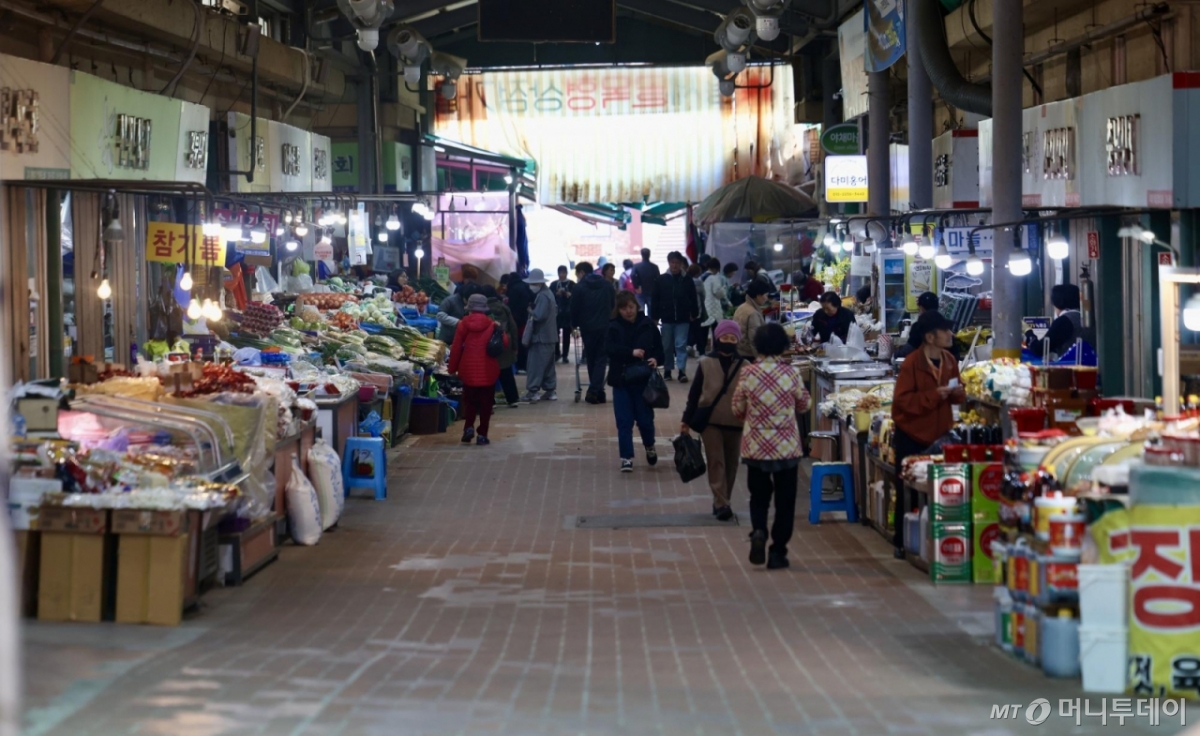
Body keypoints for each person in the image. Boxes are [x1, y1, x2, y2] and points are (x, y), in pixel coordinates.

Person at [731, 322, 811, 569]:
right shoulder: (790, 374)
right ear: (782, 346)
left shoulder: (748, 373)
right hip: (786, 447)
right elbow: (804, 405)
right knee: (786, 502)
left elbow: (737, 408)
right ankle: (778, 551)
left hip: (755, 446)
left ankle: (758, 531)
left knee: (759, 496)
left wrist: (752, 415)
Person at [890, 312, 965, 558]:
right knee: (907, 488)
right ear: (930, 336)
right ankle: (902, 542)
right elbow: (901, 403)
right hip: (911, 434)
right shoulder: (912, 363)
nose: (950, 335)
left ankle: (935, 542)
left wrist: (958, 393)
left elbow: (957, 392)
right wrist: (935, 395)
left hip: (940, 434)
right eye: (945, 331)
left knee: (938, 491)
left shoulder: (950, 360)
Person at [681, 320, 747, 521]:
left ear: (738, 340)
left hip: (736, 420)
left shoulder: (745, 365)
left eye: (732, 338)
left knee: (731, 463)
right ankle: (721, 503)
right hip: (710, 420)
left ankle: (722, 499)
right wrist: (685, 420)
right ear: (717, 338)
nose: (727, 341)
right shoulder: (706, 363)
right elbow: (694, 394)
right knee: (716, 461)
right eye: (724, 337)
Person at [606, 291, 665, 472]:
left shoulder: (647, 325)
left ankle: (649, 446)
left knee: (645, 419)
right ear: (619, 310)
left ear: (636, 306)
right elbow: (609, 349)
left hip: (643, 379)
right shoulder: (613, 327)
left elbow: (660, 349)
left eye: (631, 307)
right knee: (624, 420)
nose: (628, 311)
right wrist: (630, 352)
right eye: (624, 308)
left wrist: (656, 359)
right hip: (621, 379)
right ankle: (626, 457)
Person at [448, 294, 509, 446]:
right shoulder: (491, 324)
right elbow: (504, 344)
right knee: (486, 404)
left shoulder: (463, 324)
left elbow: (456, 348)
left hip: (468, 370)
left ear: (469, 308)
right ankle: (482, 434)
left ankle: (468, 428)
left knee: (469, 402)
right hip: (488, 371)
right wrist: (500, 330)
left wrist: (452, 368)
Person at [651, 251, 700, 383]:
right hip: (666, 318)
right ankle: (667, 370)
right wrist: (654, 317)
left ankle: (682, 371)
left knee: (681, 345)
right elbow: (655, 299)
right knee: (666, 345)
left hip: (683, 318)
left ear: (681, 264)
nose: (675, 265)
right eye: (672, 262)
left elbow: (693, 298)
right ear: (669, 263)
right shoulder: (661, 280)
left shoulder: (687, 280)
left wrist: (694, 313)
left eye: (677, 263)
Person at [571, 261, 615, 404]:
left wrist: (574, 324)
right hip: (604, 326)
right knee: (601, 358)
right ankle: (597, 391)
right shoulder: (607, 285)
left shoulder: (579, 287)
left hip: (587, 328)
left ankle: (594, 391)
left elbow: (574, 308)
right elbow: (613, 304)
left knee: (591, 357)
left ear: (582, 272)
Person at [522, 268, 558, 402]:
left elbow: (539, 315)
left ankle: (533, 391)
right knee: (548, 366)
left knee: (535, 365)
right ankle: (550, 391)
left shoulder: (542, 296)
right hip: (550, 336)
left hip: (541, 337)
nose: (531, 286)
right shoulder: (549, 293)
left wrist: (531, 310)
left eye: (533, 283)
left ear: (538, 283)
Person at [483, 285, 520, 408]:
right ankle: (513, 399)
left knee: (489, 373)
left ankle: (490, 400)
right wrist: (514, 345)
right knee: (506, 372)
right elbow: (513, 327)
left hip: (489, 343)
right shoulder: (504, 307)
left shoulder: (483, 309)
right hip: (505, 342)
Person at [1025, 283, 1083, 360]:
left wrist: (1028, 332)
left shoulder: (1063, 321)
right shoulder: (1085, 318)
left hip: (1072, 367)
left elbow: (1039, 349)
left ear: (1058, 303)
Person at [894, 292, 958, 360]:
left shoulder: (919, 326)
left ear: (922, 308)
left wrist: (896, 353)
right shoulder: (945, 324)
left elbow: (909, 349)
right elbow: (956, 353)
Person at [733, 279, 771, 359]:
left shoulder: (742, 307)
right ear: (758, 295)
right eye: (766, 295)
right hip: (748, 355)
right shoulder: (753, 313)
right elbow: (754, 340)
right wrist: (761, 359)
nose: (767, 298)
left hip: (739, 351)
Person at [506, 272, 534, 372]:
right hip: (526, 318)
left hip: (516, 319)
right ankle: (527, 364)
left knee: (518, 342)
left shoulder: (513, 288)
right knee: (525, 341)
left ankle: (521, 365)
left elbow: (511, 306)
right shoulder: (525, 286)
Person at [702, 259, 733, 342]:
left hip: (704, 307)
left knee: (704, 331)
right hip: (713, 307)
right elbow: (718, 293)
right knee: (716, 330)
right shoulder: (713, 278)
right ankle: (716, 348)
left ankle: (702, 350)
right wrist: (724, 289)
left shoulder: (702, 276)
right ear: (716, 269)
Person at [552, 266, 575, 364]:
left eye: (563, 273)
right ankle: (557, 353)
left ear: (566, 273)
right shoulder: (554, 284)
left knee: (566, 334)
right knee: (555, 334)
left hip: (567, 313)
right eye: (560, 273)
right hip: (556, 312)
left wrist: (569, 294)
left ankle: (565, 355)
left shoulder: (572, 284)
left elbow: (576, 296)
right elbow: (550, 296)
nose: (561, 275)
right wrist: (556, 293)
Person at [631, 247, 661, 312]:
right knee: (651, 311)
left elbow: (632, 275)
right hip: (651, 291)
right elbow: (658, 279)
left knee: (640, 310)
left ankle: (642, 322)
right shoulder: (654, 267)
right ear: (649, 255)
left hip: (640, 290)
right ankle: (650, 322)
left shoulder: (636, 266)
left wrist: (636, 286)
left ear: (641, 255)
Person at [687, 263, 707, 357]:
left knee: (688, 332)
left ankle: (688, 348)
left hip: (685, 312)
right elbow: (703, 295)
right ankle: (701, 352)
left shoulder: (684, 280)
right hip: (696, 311)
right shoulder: (698, 282)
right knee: (698, 333)